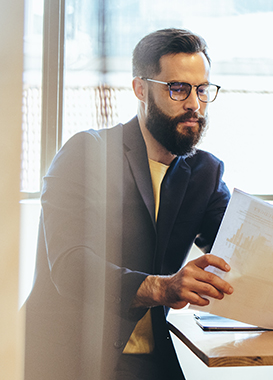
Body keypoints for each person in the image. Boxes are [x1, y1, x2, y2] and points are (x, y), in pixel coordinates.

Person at [24, 28, 234, 380]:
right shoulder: (86, 153)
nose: (194, 104)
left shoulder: (204, 172)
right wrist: (162, 287)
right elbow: (70, 266)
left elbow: (244, 247)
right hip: (67, 360)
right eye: (178, 88)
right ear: (140, 89)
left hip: (150, 363)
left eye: (202, 90)